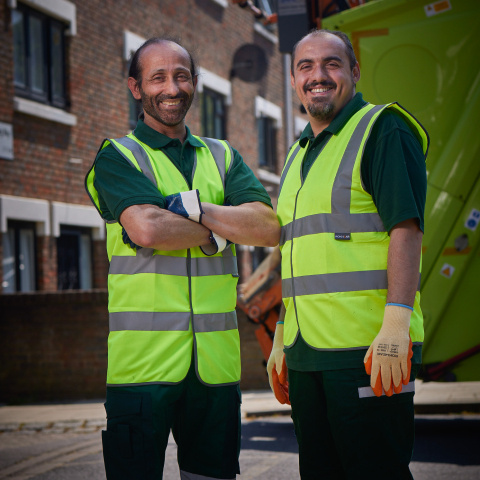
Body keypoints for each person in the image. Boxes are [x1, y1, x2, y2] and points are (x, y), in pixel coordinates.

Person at [85, 37, 280, 480]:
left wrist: (194, 211)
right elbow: (147, 228)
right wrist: (219, 237)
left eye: (181, 76)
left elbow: (267, 227)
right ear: (135, 88)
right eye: (158, 77)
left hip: (215, 370)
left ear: (195, 83)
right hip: (142, 370)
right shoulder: (117, 157)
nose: (172, 88)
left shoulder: (223, 155)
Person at [267, 29, 429, 479]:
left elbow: (406, 228)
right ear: (294, 80)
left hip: (368, 349)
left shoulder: (383, 128)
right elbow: (298, 252)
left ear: (354, 72)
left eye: (332, 64)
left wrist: (396, 322)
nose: (318, 76)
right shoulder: (297, 154)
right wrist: (282, 333)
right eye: (306, 67)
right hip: (306, 354)